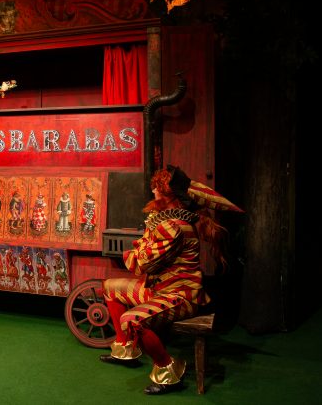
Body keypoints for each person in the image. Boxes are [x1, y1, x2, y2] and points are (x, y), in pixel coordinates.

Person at [99, 165, 242, 395]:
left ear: (170, 194)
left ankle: (168, 370)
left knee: (132, 320)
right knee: (109, 287)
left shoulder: (173, 227)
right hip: (161, 289)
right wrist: (143, 245)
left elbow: (142, 264)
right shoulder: (164, 221)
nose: (153, 191)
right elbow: (146, 253)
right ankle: (125, 349)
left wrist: (133, 253)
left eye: (157, 187)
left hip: (179, 296)